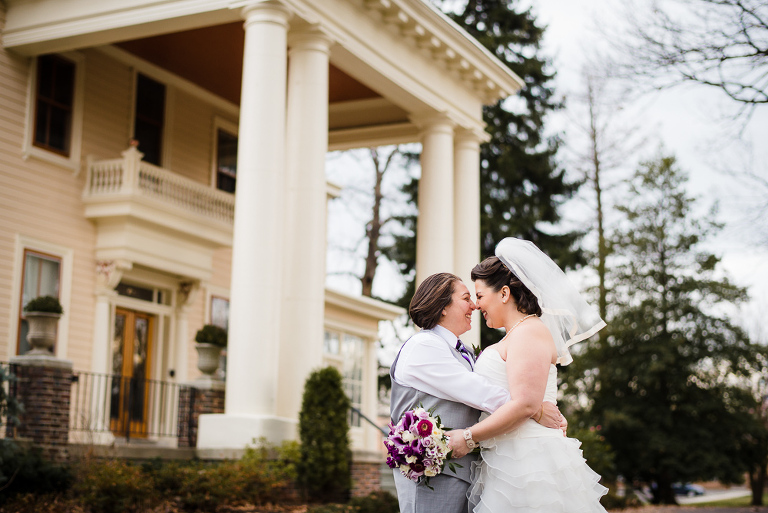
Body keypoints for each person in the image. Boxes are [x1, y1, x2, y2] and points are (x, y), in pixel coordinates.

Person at [446, 237, 609, 512]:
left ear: (505, 293)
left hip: (530, 465)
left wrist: (469, 436)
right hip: (512, 460)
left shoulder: (529, 332)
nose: (476, 305)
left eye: (480, 296)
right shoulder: (519, 334)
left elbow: (525, 404)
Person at [390, 272, 564, 513]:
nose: (474, 305)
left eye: (476, 297)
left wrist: (530, 403)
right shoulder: (424, 346)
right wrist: (535, 407)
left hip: (466, 473)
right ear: (442, 307)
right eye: (466, 298)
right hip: (432, 478)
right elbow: (480, 393)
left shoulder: (463, 350)